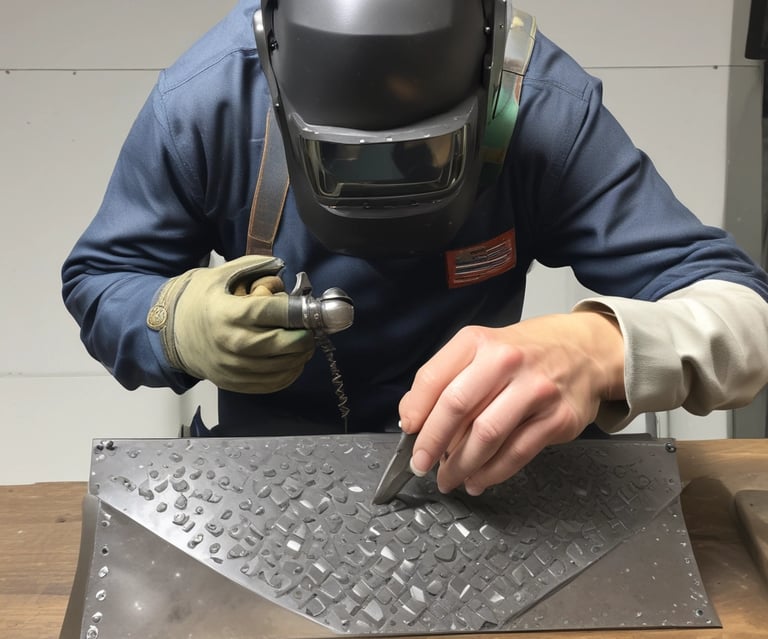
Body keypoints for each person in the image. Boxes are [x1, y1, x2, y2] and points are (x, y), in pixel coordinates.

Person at [62, 0, 768, 497]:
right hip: (264, 476)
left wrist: (597, 348)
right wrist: (176, 320)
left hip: (485, 473)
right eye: (343, 159)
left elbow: (745, 313)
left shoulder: (539, 111)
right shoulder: (208, 104)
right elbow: (102, 279)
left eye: (425, 155)